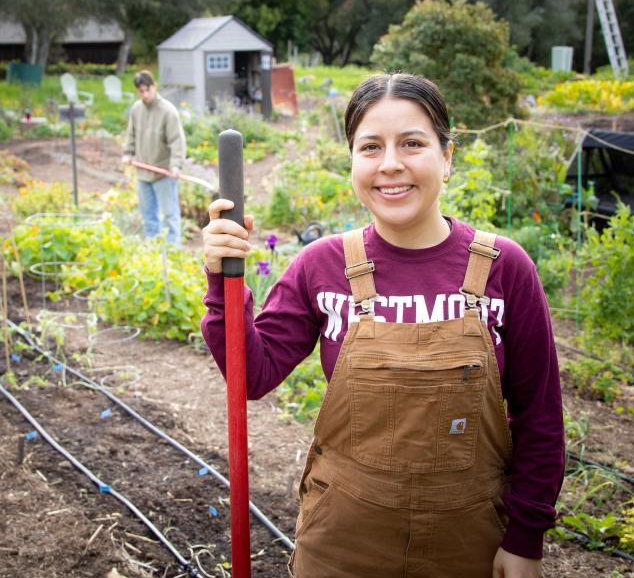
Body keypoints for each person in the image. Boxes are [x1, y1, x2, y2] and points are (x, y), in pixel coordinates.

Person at [200, 73, 564, 578]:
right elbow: (252, 376)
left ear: (447, 156)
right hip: (343, 544)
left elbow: (540, 416)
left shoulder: (505, 267)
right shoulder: (320, 265)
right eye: (370, 147)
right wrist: (224, 284)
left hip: (471, 542)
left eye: (412, 143)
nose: (390, 164)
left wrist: (526, 538)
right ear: (353, 161)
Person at [122, 70, 186, 246]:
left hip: (163, 173)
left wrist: (176, 166)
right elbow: (131, 135)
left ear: (154, 86)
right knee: (148, 217)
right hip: (143, 172)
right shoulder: (136, 109)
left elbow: (177, 141)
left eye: (147, 90)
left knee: (169, 217)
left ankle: (173, 253)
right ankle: (154, 252)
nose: (144, 94)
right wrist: (128, 153)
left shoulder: (168, 112)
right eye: (140, 91)